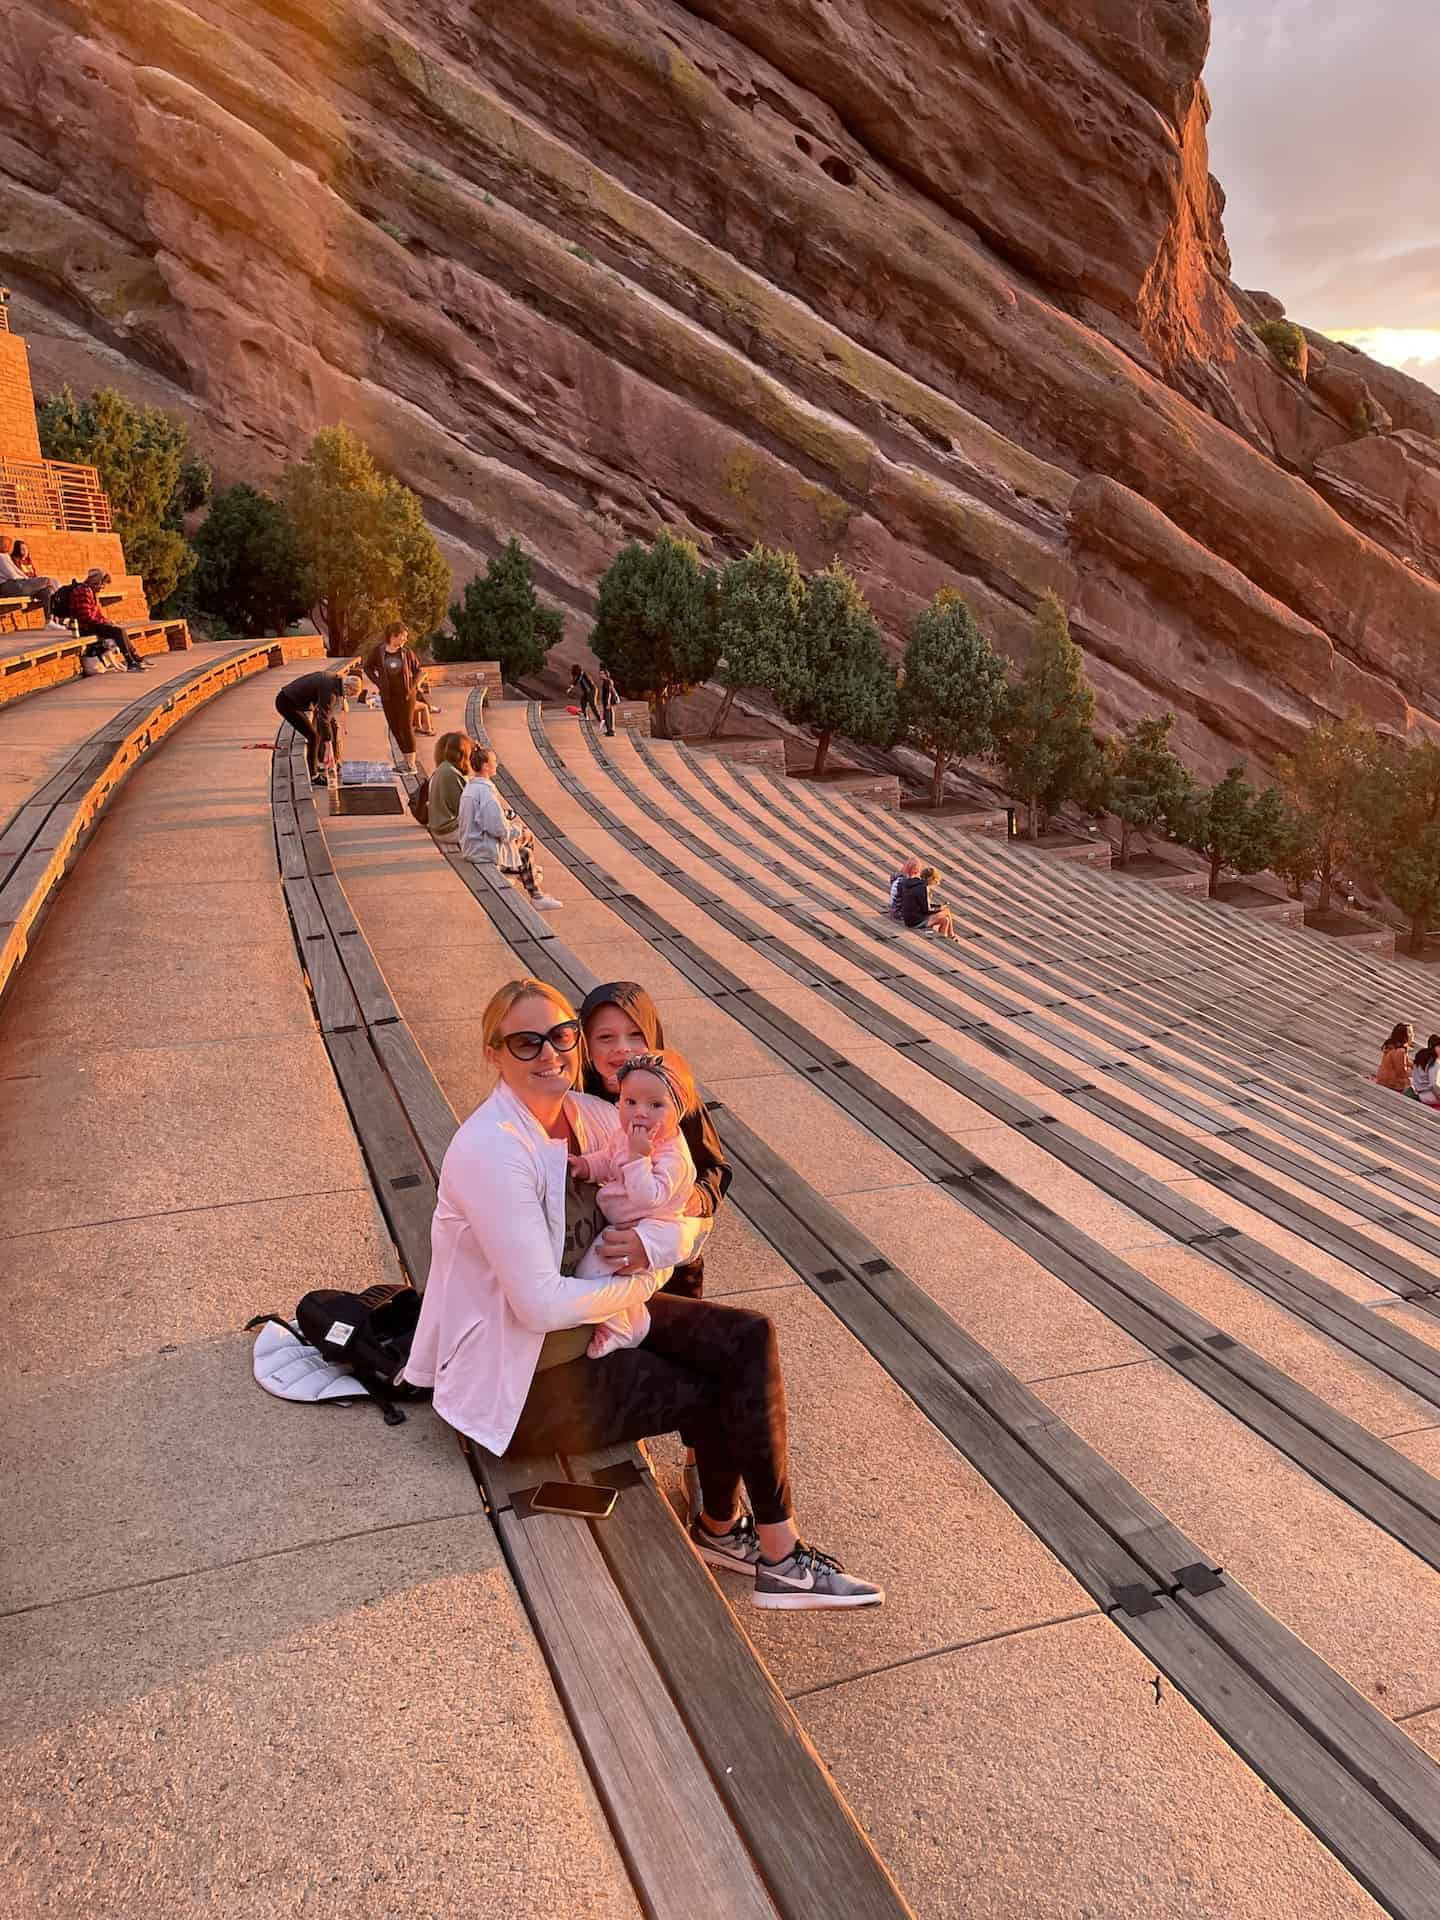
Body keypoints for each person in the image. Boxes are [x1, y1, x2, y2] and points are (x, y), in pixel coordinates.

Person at [403, 977, 882, 1610]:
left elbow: (686, 1189)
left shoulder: (596, 1116)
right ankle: (764, 1552)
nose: (550, 1052)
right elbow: (539, 1306)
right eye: (525, 1042)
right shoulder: (491, 1149)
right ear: (493, 1053)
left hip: (595, 1320)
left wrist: (664, 1246)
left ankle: (755, 1544)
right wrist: (653, 1273)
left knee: (748, 1336)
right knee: (713, 1389)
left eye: (561, 1035)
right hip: (521, 1382)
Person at [580, 980, 733, 1523]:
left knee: (695, 1359)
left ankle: (699, 1464)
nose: (619, 1047)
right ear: (584, 1043)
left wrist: (686, 1205)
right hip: (609, 1257)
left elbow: (716, 1169)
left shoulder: (668, 1095)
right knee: (627, 1354)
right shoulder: (582, 1102)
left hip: (671, 1258)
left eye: (634, 1033)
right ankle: (637, 1447)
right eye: (604, 1036)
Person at [571, 1049, 700, 1357]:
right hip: (625, 1221)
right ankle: (636, 1318)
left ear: (678, 1110)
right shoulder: (625, 1136)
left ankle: (619, 1328)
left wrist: (638, 1157)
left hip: (654, 1227)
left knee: (591, 1274)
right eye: (630, 1102)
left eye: (655, 1105)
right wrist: (586, 1166)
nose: (639, 1112)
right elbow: (608, 1159)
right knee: (599, 1273)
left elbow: (649, 1196)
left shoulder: (673, 1156)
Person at [457, 745, 563, 909]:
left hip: (472, 843)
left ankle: (532, 879)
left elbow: (488, 819)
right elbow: (499, 830)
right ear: (485, 766)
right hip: (482, 849)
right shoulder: (486, 792)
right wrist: (515, 829)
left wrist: (508, 821)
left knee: (525, 839)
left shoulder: (471, 787)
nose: (497, 764)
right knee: (525, 849)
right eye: (494, 761)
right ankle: (536, 892)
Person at [275, 667, 363, 783]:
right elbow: (323, 718)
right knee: (314, 737)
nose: (346, 696)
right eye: (349, 694)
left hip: (289, 699)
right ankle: (313, 775)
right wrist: (329, 746)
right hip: (287, 704)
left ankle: (324, 761)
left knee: (328, 725)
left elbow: (326, 713)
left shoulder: (333, 679)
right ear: (348, 688)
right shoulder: (330, 691)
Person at [362, 622, 424, 773]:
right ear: (394, 636)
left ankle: (411, 765)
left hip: (406, 696)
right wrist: (378, 683)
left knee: (406, 727)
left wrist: (412, 687)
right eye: (403, 636)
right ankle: (405, 760)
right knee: (395, 728)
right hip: (388, 696)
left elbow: (419, 670)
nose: (405, 640)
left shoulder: (406, 652)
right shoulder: (379, 651)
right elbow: (367, 667)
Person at [56, 569, 144, 669]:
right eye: (102, 584)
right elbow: (86, 617)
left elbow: (97, 614)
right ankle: (131, 661)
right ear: (96, 582)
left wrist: (106, 621)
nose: (103, 588)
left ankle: (135, 658)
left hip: (91, 624)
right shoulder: (82, 591)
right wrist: (103, 623)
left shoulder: (90, 591)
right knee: (118, 632)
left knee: (119, 630)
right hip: (85, 627)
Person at [427, 731, 472, 850]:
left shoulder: (442, 769)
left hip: (439, 826)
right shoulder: (451, 774)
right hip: (449, 830)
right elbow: (463, 808)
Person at [896, 863, 961, 942]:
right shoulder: (924, 888)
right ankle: (951, 935)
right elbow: (926, 910)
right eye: (935, 881)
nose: (936, 883)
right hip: (915, 921)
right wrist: (940, 908)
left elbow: (921, 904)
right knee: (946, 911)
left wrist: (937, 906)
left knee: (945, 920)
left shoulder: (914, 883)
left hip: (908, 919)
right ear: (931, 879)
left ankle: (943, 940)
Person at [0, 535, 57, 623]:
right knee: (48, 580)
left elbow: (17, 572)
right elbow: (13, 576)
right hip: (10, 587)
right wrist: (29, 580)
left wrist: (28, 580)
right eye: (6, 544)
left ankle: (50, 621)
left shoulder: (6, 556)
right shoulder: (0, 557)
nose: (8, 546)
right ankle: (63, 610)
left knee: (48, 591)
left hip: (20, 584)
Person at [1375, 1023, 1414, 1092]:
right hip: (1389, 1084)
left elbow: (1407, 1062)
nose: (1413, 1035)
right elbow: (1401, 1073)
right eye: (1410, 1032)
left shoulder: (1393, 1046)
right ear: (1403, 1035)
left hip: (1383, 1079)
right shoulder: (1400, 1051)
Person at [1410, 1035, 1440, 1108]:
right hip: (1429, 1095)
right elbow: (1434, 1084)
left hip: (1419, 1091)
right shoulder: (1434, 1062)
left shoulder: (1421, 1055)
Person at [597, 666, 619, 737]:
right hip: (607, 700)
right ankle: (610, 731)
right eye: (600, 674)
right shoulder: (608, 681)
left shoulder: (607, 682)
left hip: (607, 701)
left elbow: (609, 693)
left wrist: (608, 703)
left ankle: (610, 732)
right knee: (608, 715)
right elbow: (613, 690)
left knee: (607, 716)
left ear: (606, 674)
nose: (601, 675)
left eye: (602, 674)